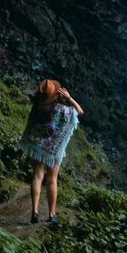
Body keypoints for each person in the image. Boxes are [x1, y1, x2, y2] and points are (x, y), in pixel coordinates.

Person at [19, 78, 84, 223]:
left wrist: (22, 148)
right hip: (53, 151)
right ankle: (51, 214)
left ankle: (34, 212)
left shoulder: (36, 109)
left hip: (37, 148)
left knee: (37, 176)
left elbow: (28, 128)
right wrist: (69, 98)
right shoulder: (62, 110)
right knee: (52, 180)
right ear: (56, 95)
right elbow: (79, 111)